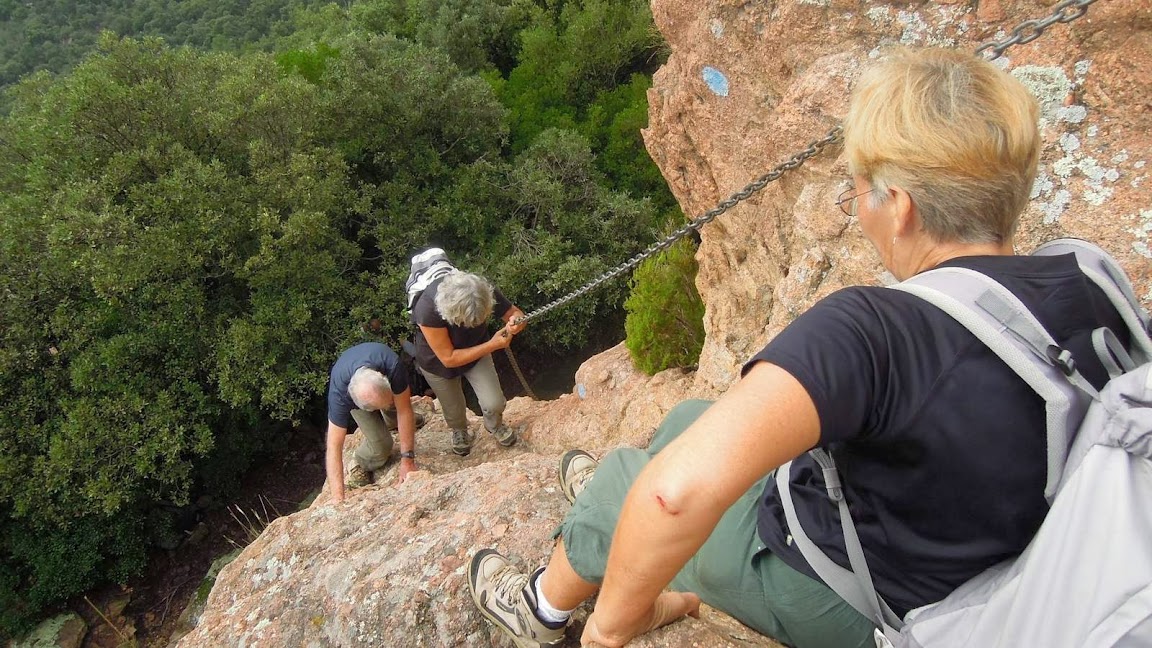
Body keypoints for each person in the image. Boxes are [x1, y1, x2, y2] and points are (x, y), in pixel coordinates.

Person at [465, 47, 1135, 648]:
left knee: (627, 486)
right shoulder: (1088, 279)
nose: (859, 208)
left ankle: (541, 608)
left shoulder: (874, 327)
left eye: (856, 191)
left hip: (865, 603)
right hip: (1000, 559)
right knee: (689, 423)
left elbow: (672, 497)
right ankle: (628, 542)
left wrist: (610, 628)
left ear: (898, 204)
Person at [412, 270, 526, 456]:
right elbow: (448, 358)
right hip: (438, 363)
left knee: (494, 402)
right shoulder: (427, 309)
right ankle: (459, 430)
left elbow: (514, 313)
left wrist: (516, 322)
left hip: (477, 347)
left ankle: (494, 425)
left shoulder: (480, 291)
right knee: (453, 409)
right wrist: (492, 345)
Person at [325, 342, 425, 503]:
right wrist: (338, 497)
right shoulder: (340, 396)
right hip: (356, 391)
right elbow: (333, 446)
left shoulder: (391, 364)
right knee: (382, 445)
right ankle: (360, 462)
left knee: (405, 418)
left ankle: (391, 415)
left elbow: (404, 409)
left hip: (382, 385)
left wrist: (407, 460)